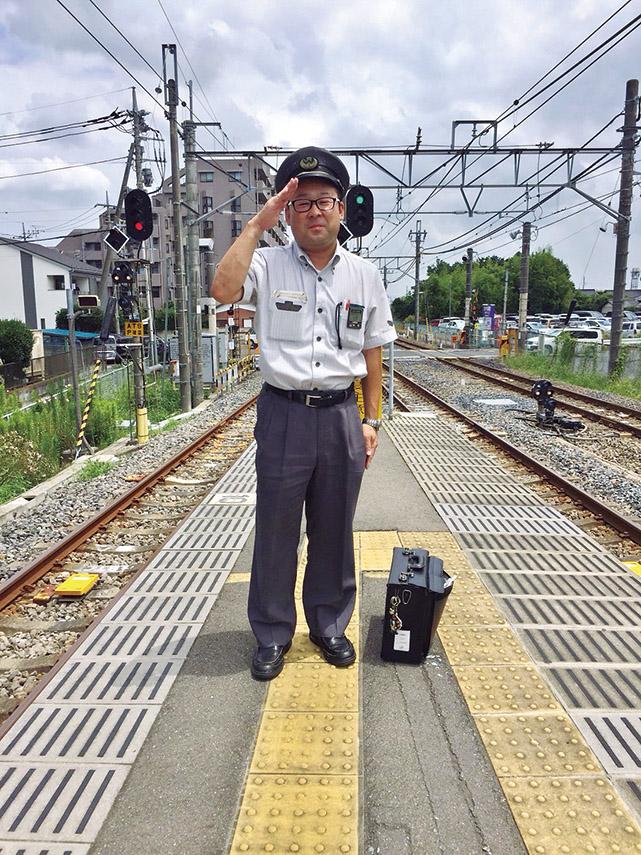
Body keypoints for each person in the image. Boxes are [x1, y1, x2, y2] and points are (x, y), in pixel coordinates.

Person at [211, 146, 397, 680]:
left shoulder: (364, 275)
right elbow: (222, 289)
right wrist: (255, 225)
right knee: (276, 527)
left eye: (325, 201)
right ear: (288, 214)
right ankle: (272, 633)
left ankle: (329, 625)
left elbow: (374, 351)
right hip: (283, 413)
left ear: (342, 210)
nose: (314, 211)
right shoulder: (266, 264)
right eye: (302, 203)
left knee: (335, 526)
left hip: (341, 414)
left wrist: (371, 418)